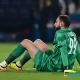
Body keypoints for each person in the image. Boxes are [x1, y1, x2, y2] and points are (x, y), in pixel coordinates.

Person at [0, 15, 80, 76]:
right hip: (59, 61)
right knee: (38, 42)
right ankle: (19, 65)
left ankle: (3, 65)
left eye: (56, 22)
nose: (54, 24)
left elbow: (64, 52)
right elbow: (77, 51)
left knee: (25, 42)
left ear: (62, 24)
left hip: (53, 66)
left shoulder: (59, 34)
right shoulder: (72, 34)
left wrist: (65, 69)